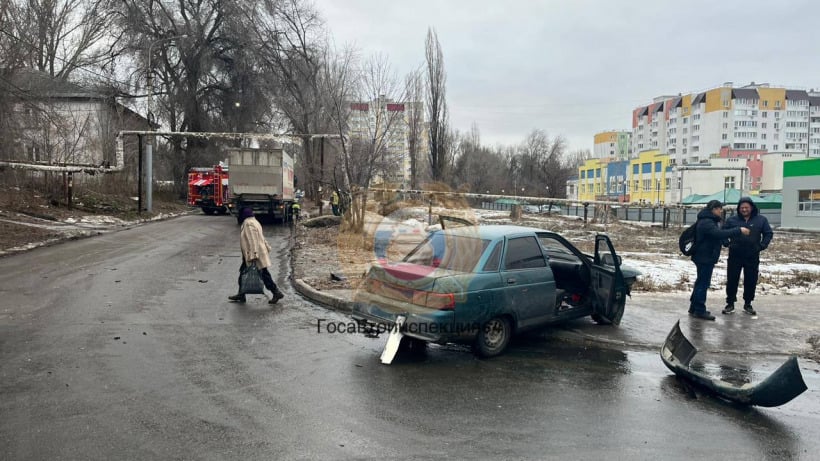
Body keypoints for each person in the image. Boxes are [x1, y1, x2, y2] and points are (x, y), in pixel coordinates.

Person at [688, 200, 750, 320]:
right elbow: (718, 234)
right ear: (714, 209)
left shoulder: (709, 220)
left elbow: (716, 236)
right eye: (719, 209)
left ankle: (694, 307)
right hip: (705, 257)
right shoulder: (707, 222)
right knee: (703, 283)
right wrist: (739, 230)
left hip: (704, 256)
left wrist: (725, 242)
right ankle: (700, 310)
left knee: (701, 281)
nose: (721, 211)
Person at [722, 197, 773, 316]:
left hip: (752, 254)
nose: (744, 210)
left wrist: (762, 245)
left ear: (752, 208)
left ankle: (748, 303)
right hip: (735, 254)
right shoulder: (732, 220)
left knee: (751, 279)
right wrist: (726, 242)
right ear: (738, 209)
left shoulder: (761, 220)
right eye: (742, 208)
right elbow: (723, 232)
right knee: (732, 279)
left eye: (746, 207)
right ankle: (730, 303)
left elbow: (768, 233)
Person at [228, 208, 285, 304]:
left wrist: (254, 255)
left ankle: (276, 292)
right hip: (252, 254)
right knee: (243, 272)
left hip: (254, 254)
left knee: (264, 274)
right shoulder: (255, 221)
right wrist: (267, 247)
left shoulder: (248, 223)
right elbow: (261, 237)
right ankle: (241, 294)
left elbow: (253, 239)